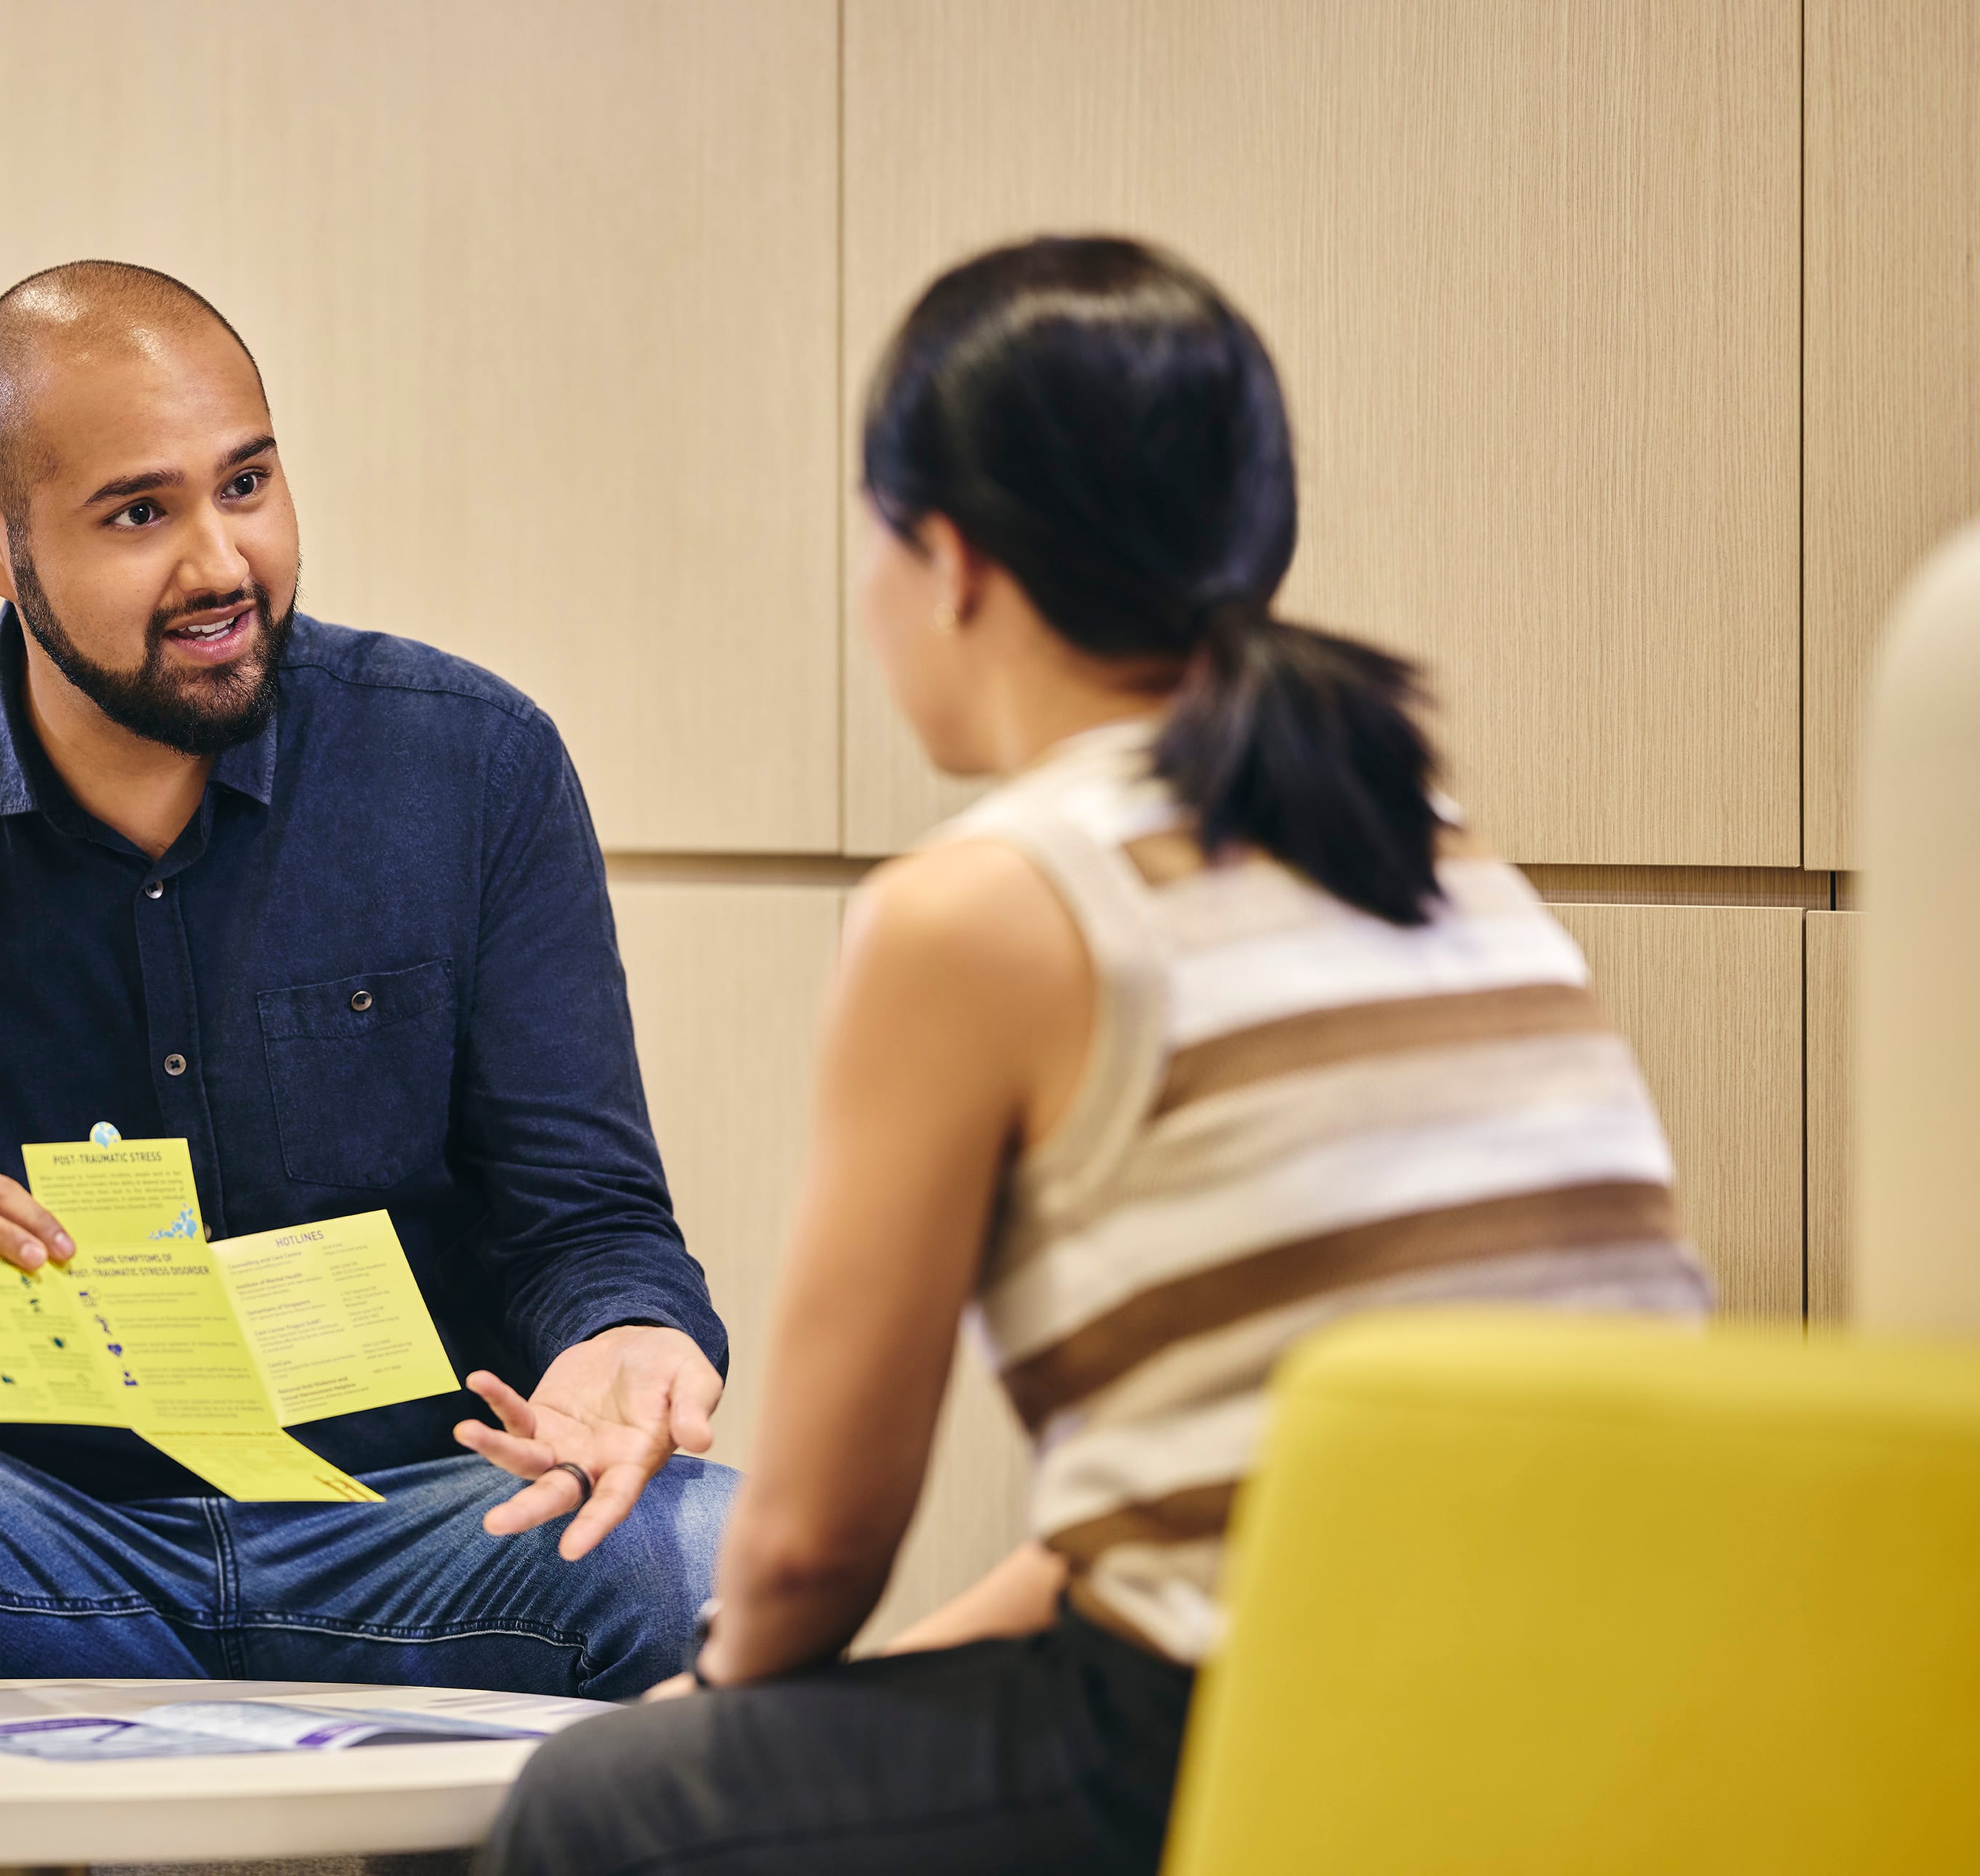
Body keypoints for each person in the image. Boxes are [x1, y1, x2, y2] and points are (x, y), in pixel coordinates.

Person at [480, 236, 1711, 1873]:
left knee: (593, 1810)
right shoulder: (1416, 840)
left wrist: (710, 1721)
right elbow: (1161, 1531)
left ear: (948, 560)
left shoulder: (986, 907)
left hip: (1288, 1727)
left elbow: (814, 1549)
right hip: (1639, 1695)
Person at [0, 261, 734, 1699]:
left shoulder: (469, 764)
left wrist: (625, 1336)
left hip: (414, 1522)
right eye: (138, 513)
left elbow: (583, 1217)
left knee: (713, 1556)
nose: (221, 565)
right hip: (19, 1534)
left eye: (247, 484)